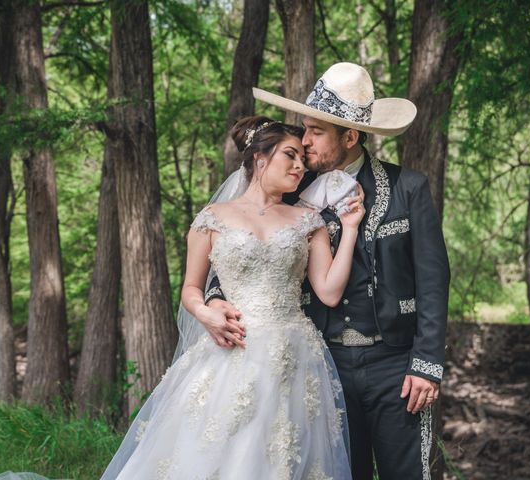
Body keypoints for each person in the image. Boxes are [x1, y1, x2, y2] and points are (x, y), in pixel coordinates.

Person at [206, 62, 450, 480]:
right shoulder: (291, 190)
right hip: (322, 363)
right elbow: (235, 242)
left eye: (316, 131)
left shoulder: (409, 188)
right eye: (304, 129)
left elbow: (433, 279)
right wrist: (212, 300)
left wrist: (426, 362)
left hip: (395, 363)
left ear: (350, 137)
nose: (304, 141)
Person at [97, 116, 366, 479]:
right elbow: (191, 288)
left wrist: (349, 229)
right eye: (290, 155)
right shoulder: (212, 219)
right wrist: (205, 313)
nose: (301, 165)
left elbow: (330, 293)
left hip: (293, 355)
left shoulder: (309, 220)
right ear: (259, 158)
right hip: (231, 352)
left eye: (303, 157)